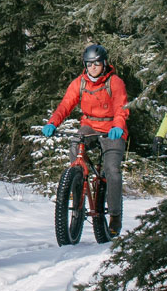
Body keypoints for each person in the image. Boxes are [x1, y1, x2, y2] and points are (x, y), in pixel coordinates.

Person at [40, 43, 129, 234]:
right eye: (89, 64)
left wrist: (118, 126)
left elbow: (121, 107)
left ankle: (115, 215)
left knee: (112, 169)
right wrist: (52, 123)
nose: (93, 67)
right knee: (75, 147)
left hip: (112, 127)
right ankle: (79, 183)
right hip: (89, 125)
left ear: (104, 63)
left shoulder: (115, 82)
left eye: (96, 63)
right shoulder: (79, 83)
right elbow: (65, 105)